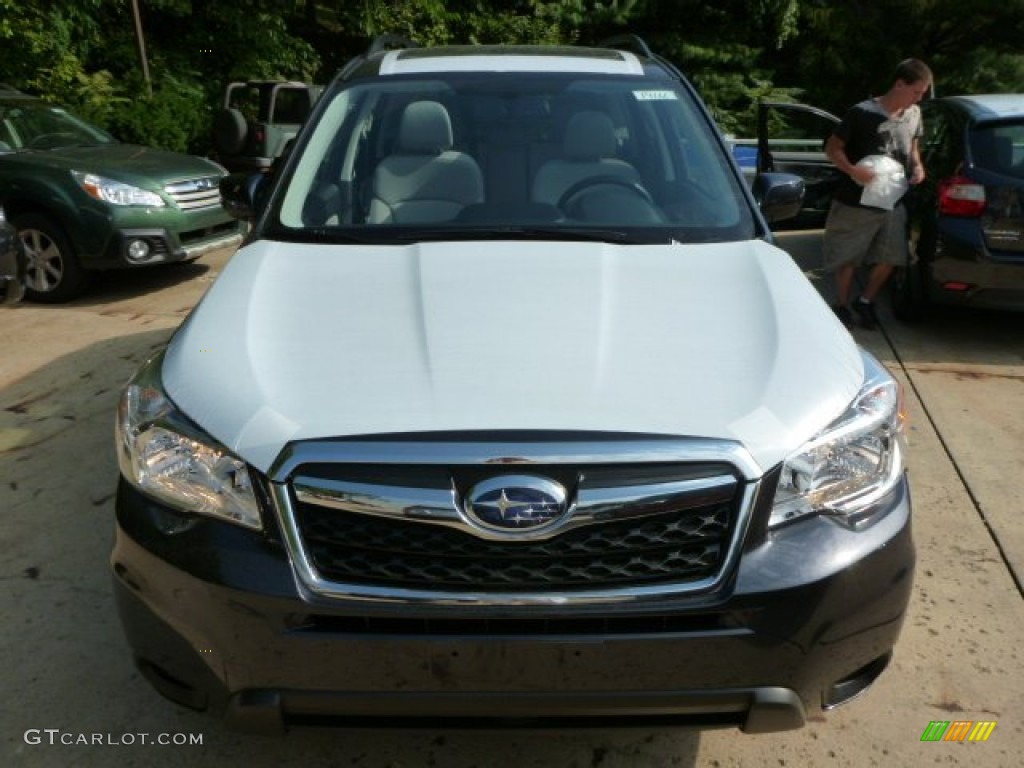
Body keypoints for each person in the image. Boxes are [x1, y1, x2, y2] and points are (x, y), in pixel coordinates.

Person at [823, 58, 933, 330]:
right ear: (899, 84)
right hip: (855, 201)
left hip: (894, 201)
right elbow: (832, 148)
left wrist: (918, 165)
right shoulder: (861, 113)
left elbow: (914, 145)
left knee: (892, 257)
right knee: (848, 257)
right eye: (916, 92)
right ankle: (842, 306)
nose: (919, 98)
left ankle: (866, 301)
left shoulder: (914, 114)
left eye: (922, 93)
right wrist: (852, 170)